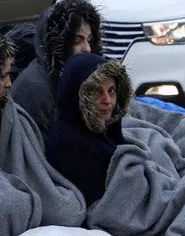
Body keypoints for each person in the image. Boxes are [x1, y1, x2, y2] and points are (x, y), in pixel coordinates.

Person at [45, 52, 133, 205]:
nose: (108, 101)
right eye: (97, 92)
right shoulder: (69, 145)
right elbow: (104, 206)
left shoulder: (107, 126)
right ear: (77, 95)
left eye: (111, 91)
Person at [10, 0, 103, 137]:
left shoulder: (74, 77)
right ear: (58, 43)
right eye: (78, 40)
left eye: (89, 40)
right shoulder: (35, 88)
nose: (87, 49)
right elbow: (37, 152)